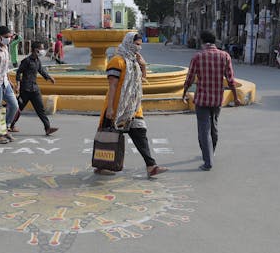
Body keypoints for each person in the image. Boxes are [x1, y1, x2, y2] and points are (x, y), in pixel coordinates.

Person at [96, 32, 168, 179]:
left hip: (133, 107)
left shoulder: (134, 61)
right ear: (129, 42)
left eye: (140, 45)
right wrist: (110, 108)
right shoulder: (117, 61)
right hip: (116, 107)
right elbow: (113, 86)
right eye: (137, 44)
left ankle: (151, 166)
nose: (139, 48)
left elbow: (141, 81)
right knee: (108, 136)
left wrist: (143, 66)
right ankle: (100, 166)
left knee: (140, 133)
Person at [182, 30, 240, 171]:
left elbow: (189, 78)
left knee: (204, 129)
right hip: (217, 99)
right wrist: (236, 97)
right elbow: (231, 80)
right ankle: (211, 153)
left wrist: (184, 93)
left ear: (202, 41)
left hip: (202, 99)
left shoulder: (198, 57)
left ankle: (208, 161)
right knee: (214, 126)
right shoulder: (225, 56)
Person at [10, 41, 59, 136]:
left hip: (35, 90)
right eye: (40, 48)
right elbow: (18, 72)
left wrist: (49, 78)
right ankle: (10, 125)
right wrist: (18, 84)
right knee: (18, 109)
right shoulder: (26, 61)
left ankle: (47, 128)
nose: (42, 50)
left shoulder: (37, 61)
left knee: (41, 110)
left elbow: (41, 71)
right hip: (25, 90)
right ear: (35, 49)